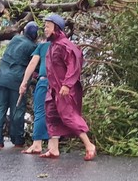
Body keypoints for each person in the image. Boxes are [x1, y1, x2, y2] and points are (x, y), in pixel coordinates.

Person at [40, 14, 96, 161]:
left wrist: (67, 84)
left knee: (69, 116)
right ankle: (53, 149)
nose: (45, 29)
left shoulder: (65, 45)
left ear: (56, 28)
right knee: (51, 115)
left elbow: (74, 65)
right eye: (44, 26)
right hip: (53, 89)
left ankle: (89, 145)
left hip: (64, 89)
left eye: (47, 26)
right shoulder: (52, 46)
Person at [0, 21, 39, 148]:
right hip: (17, 81)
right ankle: (17, 139)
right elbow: (36, 65)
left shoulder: (15, 39)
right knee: (17, 110)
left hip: (1, 77)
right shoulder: (32, 47)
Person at [19, 40, 50, 154]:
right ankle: (52, 145)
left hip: (44, 81)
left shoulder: (42, 46)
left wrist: (24, 82)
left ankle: (37, 144)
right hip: (57, 83)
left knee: (40, 111)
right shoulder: (63, 44)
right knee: (52, 112)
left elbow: (32, 63)